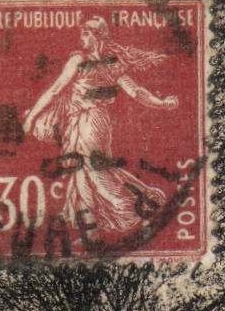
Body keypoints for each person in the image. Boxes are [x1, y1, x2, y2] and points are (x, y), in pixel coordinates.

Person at [20, 16, 180, 242]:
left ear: (97, 37)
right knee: (84, 171)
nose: (81, 38)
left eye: (85, 34)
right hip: (96, 122)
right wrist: (161, 103)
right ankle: (91, 231)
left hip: (87, 123)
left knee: (90, 171)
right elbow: (137, 92)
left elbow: (56, 90)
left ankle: (134, 206)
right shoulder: (114, 64)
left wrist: (32, 117)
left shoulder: (79, 60)